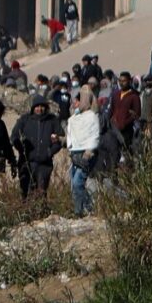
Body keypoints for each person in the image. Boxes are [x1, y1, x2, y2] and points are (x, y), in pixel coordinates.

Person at [11, 95, 64, 199]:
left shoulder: (52, 120)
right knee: (26, 194)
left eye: (42, 106)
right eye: (37, 106)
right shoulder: (25, 119)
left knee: (41, 194)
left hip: (44, 165)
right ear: (33, 107)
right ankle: (26, 214)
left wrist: (50, 152)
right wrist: (22, 149)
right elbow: (14, 137)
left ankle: (41, 214)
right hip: (26, 163)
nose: (39, 109)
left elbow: (60, 139)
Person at [66, 86, 100, 216]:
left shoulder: (92, 116)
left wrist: (89, 151)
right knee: (74, 185)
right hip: (75, 155)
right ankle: (84, 208)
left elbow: (94, 136)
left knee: (77, 182)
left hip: (86, 154)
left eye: (77, 101)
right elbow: (73, 138)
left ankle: (81, 211)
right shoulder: (74, 118)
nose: (74, 103)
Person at [110, 71, 141, 152]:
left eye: (124, 81)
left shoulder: (134, 96)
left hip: (127, 130)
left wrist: (126, 122)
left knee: (126, 150)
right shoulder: (116, 94)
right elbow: (112, 110)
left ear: (129, 81)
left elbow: (137, 113)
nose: (121, 83)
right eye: (120, 81)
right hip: (115, 128)